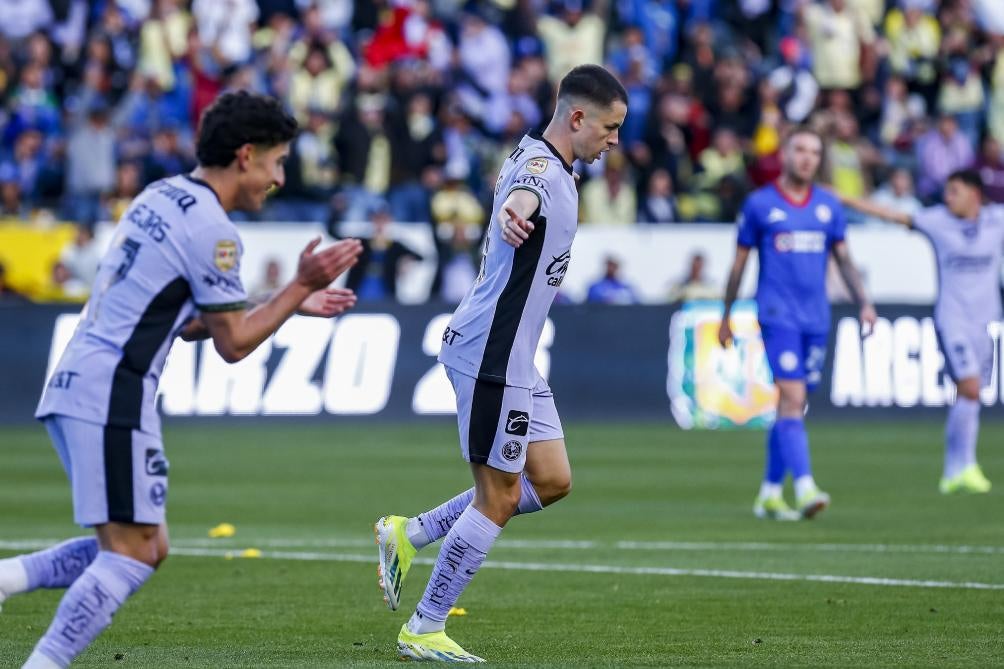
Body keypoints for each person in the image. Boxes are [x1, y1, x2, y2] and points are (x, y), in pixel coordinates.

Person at [0, 91, 362, 669]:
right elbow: (234, 343)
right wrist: (298, 286)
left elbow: (188, 319)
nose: (279, 177)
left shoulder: (161, 194)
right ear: (246, 155)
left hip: (81, 378)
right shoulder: (215, 233)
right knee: (132, 555)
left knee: (145, 545)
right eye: (277, 161)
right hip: (113, 390)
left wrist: (284, 301)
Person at [373, 64, 626, 662]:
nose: (613, 141)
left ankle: (410, 534)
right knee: (500, 498)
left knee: (552, 480)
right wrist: (514, 210)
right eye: (610, 128)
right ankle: (424, 626)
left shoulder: (541, 155)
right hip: (492, 352)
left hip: (515, 354)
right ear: (577, 118)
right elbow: (523, 195)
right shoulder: (541, 170)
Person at [718, 127, 877, 521]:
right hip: (777, 315)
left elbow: (844, 258)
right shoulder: (760, 205)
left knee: (793, 405)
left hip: (816, 318)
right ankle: (805, 487)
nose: (807, 157)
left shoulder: (828, 205)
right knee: (791, 397)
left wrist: (865, 303)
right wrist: (725, 315)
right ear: (786, 155)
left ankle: (770, 493)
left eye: (814, 152)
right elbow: (739, 264)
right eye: (800, 150)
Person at [840, 169, 999, 494]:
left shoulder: (996, 220)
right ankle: (964, 466)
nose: (947, 197)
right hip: (953, 318)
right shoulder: (937, 221)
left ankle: (956, 469)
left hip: (987, 320)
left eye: (954, 191)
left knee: (973, 394)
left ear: (975, 193)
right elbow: (890, 214)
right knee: (968, 386)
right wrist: (842, 197)